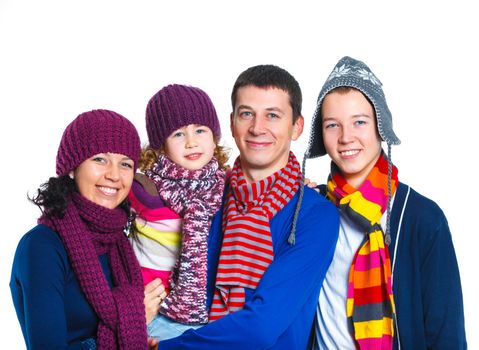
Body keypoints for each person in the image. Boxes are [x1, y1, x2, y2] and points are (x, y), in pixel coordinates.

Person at [157, 64, 340, 349]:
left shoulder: (316, 215)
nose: (257, 128)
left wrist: (166, 347)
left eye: (273, 115)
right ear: (231, 123)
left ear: (297, 127)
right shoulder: (205, 197)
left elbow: (262, 327)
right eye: (246, 114)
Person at [304, 56, 467, 349]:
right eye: (332, 125)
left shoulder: (422, 218)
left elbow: (447, 334)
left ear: (381, 125)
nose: (346, 137)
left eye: (359, 122)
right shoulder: (310, 211)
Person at [10, 109, 151, 349]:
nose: (114, 175)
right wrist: (135, 316)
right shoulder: (42, 246)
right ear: (73, 168)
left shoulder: (118, 242)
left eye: (125, 164)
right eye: (100, 159)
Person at [129, 84, 228, 340]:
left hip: (203, 315)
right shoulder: (145, 188)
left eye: (200, 130)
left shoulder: (224, 184)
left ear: (214, 137)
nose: (192, 142)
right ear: (161, 145)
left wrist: (306, 187)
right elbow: (104, 202)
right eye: (178, 134)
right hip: (152, 310)